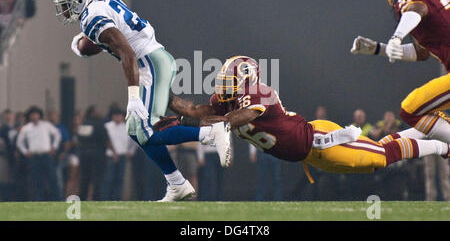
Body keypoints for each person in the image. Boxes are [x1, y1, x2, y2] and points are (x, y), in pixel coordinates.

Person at [54, 0, 230, 201]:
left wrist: (133, 97)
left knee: (147, 129)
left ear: (78, 0)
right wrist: (80, 44)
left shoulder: (91, 17)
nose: (65, 12)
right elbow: (98, 42)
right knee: (136, 131)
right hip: (155, 60)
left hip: (151, 64)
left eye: (66, 6)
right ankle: (177, 183)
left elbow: (126, 52)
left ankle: (210, 133)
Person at [169, 56, 449, 185]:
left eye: (232, 79)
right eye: (224, 79)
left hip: (320, 141)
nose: (225, 85)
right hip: (310, 156)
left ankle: (442, 146)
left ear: (248, 80)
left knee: (381, 157)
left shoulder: (261, 93)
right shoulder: (225, 103)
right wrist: (164, 97)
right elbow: (194, 110)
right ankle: (423, 130)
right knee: (375, 155)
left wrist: (218, 124)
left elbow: (241, 117)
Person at [351, 0, 450, 145]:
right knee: (419, 114)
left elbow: (415, 8)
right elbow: (421, 52)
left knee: (411, 109)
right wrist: (379, 49)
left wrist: (397, 36)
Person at [16, 106, 61, 201]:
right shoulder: (26, 128)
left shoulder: (46, 125)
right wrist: (25, 152)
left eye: (36, 114)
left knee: (52, 178)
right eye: (32, 115)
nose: (34, 116)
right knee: (36, 180)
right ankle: (39, 199)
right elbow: (19, 142)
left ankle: (57, 199)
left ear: (39, 115)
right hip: (34, 156)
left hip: (46, 154)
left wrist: (54, 147)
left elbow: (57, 134)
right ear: (29, 116)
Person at [76, 106, 110, 201]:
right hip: (98, 155)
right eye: (97, 111)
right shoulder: (100, 125)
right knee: (98, 178)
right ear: (92, 113)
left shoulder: (84, 125)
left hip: (84, 154)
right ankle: (97, 198)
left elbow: (80, 139)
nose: (99, 112)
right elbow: (106, 141)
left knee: (84, 177)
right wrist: (114, 151)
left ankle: (82, 197)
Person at [101, 108, 134, 201]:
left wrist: (130, 152)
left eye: (119, 116)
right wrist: (112, 153)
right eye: (115, 115)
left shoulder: (127, 127)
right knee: (108, 178)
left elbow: (133, 142)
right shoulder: (107, 126)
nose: (117, 117)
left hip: (122, 155)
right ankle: (105, 198)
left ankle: (116, 198)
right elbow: (105, 141)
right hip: (110, 156)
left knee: (120, 179)